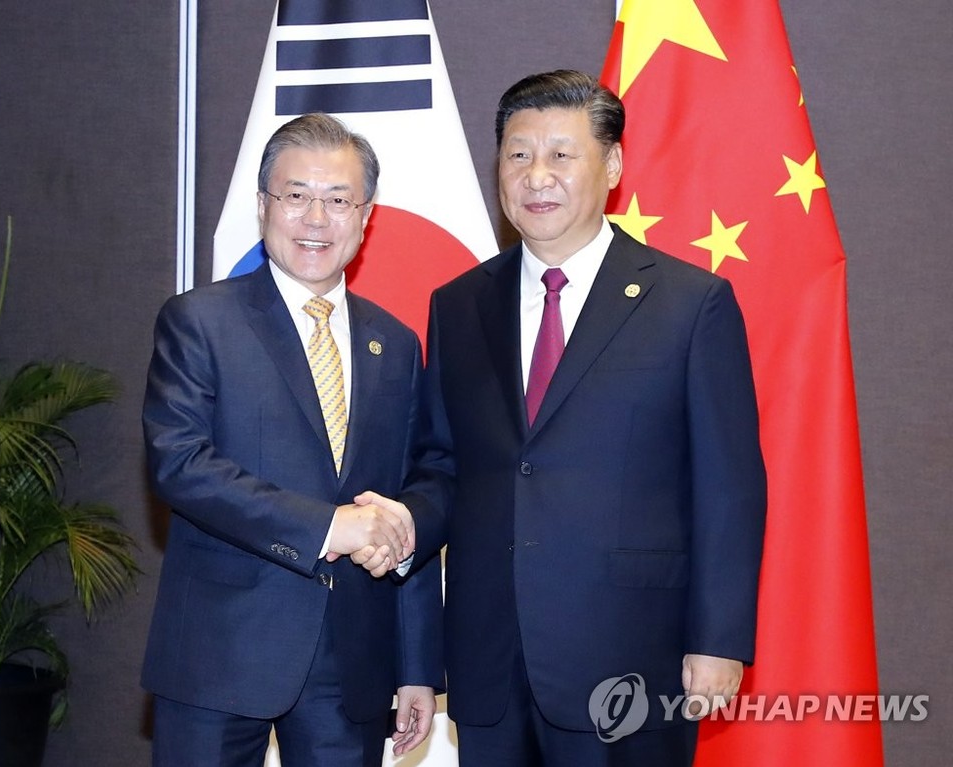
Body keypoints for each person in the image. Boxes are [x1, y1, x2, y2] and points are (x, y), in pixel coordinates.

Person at [367, 69, 766, 765]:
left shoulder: (690, 302)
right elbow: (443, 465)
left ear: (611, 165)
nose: (536, 175)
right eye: (518, 155)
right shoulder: (458, 305)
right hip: (489, 655)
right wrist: (396, 523)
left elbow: (729, 485)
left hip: (632, 654)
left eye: (561, 154)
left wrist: (719, 638)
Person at [141, 113, 443, 767]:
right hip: (220, 655)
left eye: (338, 200)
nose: (316, 218)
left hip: (353, 662)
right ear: (262, 205)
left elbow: (403, 503)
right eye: (296, 195)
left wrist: (418, 663)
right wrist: (328, 527)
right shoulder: (200, 321)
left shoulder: (395, 344)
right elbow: (181, 464)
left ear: (365, 217)